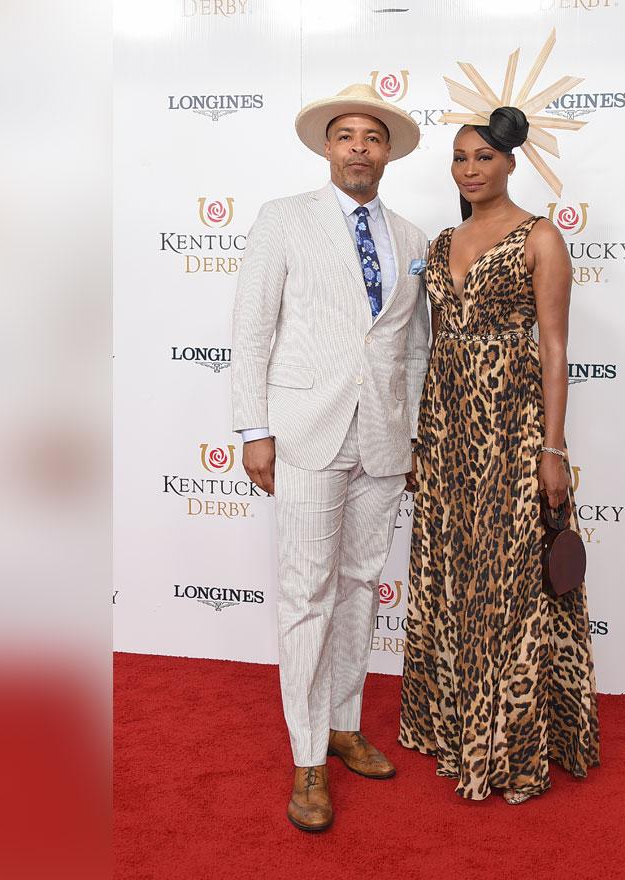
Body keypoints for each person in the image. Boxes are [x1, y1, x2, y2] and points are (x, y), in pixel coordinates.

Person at [229, 83, 431, 833]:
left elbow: (411, 346)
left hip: (381, 440)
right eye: (344, 135)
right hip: (305, 430)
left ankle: (345, 723)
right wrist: (253, 427)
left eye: (370, 138)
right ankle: (307, 756)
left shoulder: (411, 240)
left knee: (357, 588)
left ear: (387, 153)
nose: (357, 148)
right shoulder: (284, 219)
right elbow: (252, 328)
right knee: (307, 593)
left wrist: (408, 435)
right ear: (326, 147)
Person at [397, 107, 600, 804]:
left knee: (511, 585)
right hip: (448, 432)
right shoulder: (444, 237)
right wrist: (421, 439)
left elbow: (553, 347)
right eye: (459, 158)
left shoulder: (539, 235)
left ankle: (506, 743)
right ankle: (453, 728)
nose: (470, 169)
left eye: (483, 156)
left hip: (513, 433)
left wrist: (552, 449)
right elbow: (432, 346)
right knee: (453, 573)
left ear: (511, 162)